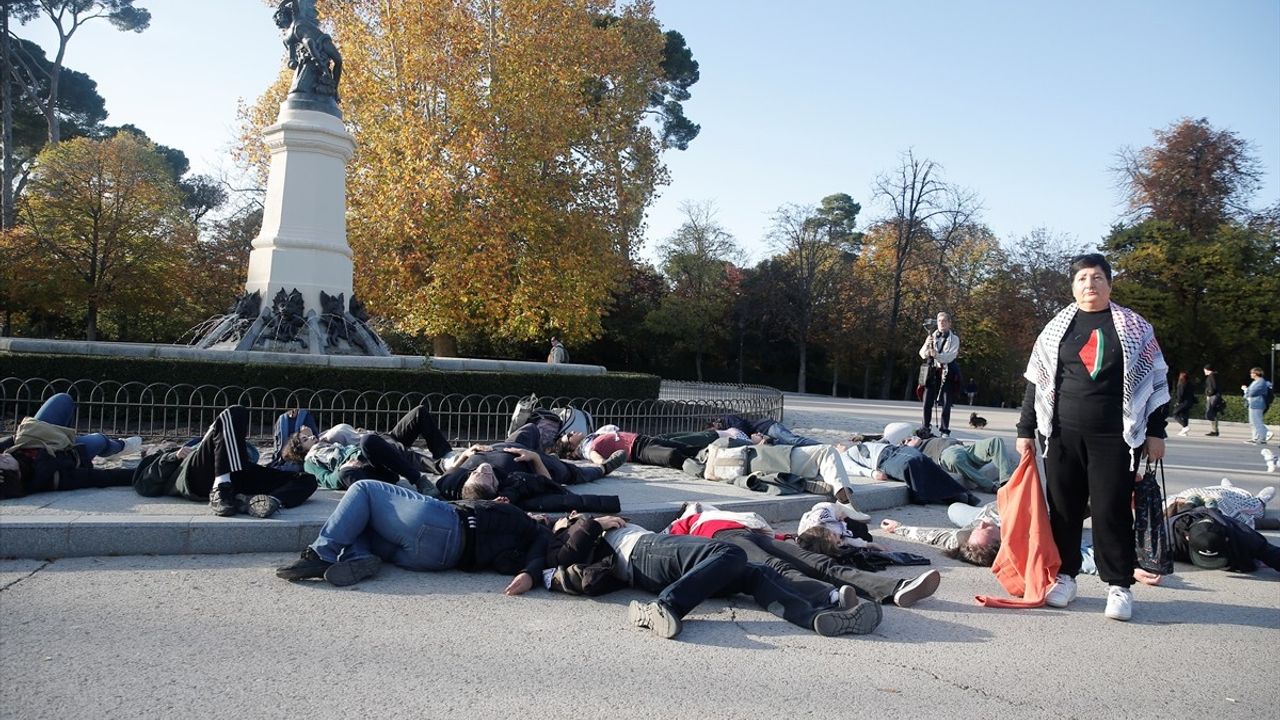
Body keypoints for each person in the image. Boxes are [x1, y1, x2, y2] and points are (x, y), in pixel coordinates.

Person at [1015, 253, 1169, 621]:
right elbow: (1035, 384)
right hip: (1063, 435)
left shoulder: (1134, 328)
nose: (1090, 285)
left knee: (1110, 510)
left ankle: (1119, 586)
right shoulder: (1056, 329)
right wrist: (1025, 430)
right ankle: (1065, 577)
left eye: (1097, 277)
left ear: (1110, 283)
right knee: (1064, 511)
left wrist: (1156, 431)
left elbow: (1156, 380)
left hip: (1114, 437)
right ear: (1073, 286)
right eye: (1082, 278)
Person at [543, 514, 881, 639]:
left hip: (656, 563)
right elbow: (563, 557)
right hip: (646, 551)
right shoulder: (570, 532)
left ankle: (817, 615)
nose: (571, 517)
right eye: (563, 519)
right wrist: (587, 524)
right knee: (730, 553)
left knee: (755, 574)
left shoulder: (581, 526)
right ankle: (665, 608)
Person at [276, 479, 552, 590]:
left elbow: (540, 548)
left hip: (446, 525)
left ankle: (321, 553)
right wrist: (528, 574)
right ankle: (359, 557)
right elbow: (538, 556)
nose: (541, 516)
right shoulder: (529, 534)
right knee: (365, 524)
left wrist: (528, 575)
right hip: (437, 560)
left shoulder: (533, 528)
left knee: (364, 489)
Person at [666, 502, 941, 608]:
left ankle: (896, 588)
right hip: (723, 540)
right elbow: (674, 545)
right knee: (776, 567)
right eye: (693, 505)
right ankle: (829, 596)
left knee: (816, 561)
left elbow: (765, 528)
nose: (698, 504)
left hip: (758, 534)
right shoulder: (688, 521)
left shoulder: (724, 512)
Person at [878, 504, 1164, 586]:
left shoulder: (968, 534)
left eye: (978, 529)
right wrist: (1130, 570)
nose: (982, 525)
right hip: (1055, 510)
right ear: (1003, 543)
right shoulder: (1024, 538)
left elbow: (933, 536)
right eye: (987, 529)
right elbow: (1083, 557)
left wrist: (899, 528)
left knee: (954, 510)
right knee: (1092, 503)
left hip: (984, 504)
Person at [133, 405, 318, 518]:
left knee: (306, 479)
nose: (167, 445)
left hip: (237, 471)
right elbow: (144, 484)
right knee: (235, 412)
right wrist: (173, 456)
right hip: (198, 473)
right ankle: (220, 489)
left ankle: (268, 502)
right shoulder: (156, 459)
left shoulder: (190, 445)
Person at [279, 402, 455, 490]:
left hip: (379, 447)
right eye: (305, 439)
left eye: (308, 436)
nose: (311, 437)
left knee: (370, 440)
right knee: (349, 469)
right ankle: (439, 468)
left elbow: (318, 432)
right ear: (301, 449)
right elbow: (326, 480)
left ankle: (436, 464)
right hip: (366, 469)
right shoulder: (311, 461)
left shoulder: (326, 441)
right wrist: (344, 467)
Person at [0, 392, 140, 499]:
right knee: (99, 440)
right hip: (71, 451)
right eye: (4, 462)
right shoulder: (51, 475)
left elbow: (10, 443)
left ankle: (66, 434)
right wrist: (142, 472)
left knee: (62, 399)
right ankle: (119, 447)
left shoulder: (11, 455)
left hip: (44, 437)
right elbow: (100, 477)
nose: (2, 456)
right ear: (16, 476)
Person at [837, 424, 979, 506]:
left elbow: (884, 439)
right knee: (913, 463)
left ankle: (960, 494)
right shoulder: (843, 456)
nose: (841, 446)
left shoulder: (861, 445)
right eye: (838, 447)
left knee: (922, 461)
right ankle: (953, 496)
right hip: (883, 460)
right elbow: (854, 469)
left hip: (893, 450)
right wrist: (873, 474)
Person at [556, 425, 702, 469]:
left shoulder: (591, 437)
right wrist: (604, 464)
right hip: (638, 451)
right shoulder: (585, 448)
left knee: (688, 448)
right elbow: (594, 455)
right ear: (571, 446)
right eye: (569, 435)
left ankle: (709, 455)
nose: (573, 431)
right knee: (672, 455)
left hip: (642, 439)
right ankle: (701, 466)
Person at [1164, 478, 1275, 529]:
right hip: (1222, 496)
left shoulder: (1170, 504)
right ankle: (1261, 498)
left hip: (1219, 495)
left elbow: (1248, 523)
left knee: (1256, 506)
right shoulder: (1168, 504)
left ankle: (1260, 498)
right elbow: (1247, 523)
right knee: (1256, 506)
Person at [919, 311, 960, 436]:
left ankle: (944, 429)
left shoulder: (954, 339)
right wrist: (928, 350)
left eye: (944, 321)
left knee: (946, 403)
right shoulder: (932, 336)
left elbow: (950, 356)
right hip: (932, 372)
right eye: (939, 321)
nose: (941, 323)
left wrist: (936, 355)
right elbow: (921, 353)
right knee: (927, 401)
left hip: (947, 372)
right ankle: (925, 427)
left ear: (949, 323)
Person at [710, 414, 820, 447]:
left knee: (794, 440)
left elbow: (742, 429)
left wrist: (752, 439)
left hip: (768, 427)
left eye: (713, 429)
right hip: (764, 434)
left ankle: (824, 446)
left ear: (715, 424)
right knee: (788, 445)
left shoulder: (728, 419)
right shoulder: (727, 429)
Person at [1242, 367, 1272, 444]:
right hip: (1253, 404)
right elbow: (1251, 392)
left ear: (1255, 374)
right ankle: (1255, 438)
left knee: (1257, 422)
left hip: (1257, 404)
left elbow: (1252, 393)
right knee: (1253, 422)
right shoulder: (1256, 381)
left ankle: (1263, 438)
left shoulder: (1261, 382)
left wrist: (1246, 390)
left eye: (1251, 373)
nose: (1250, 374)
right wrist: (1247, 391)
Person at [1170, 371, 1195, 437]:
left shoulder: (1181, 384)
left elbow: (1180, 395)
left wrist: (1178, 402)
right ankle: (1184, 432)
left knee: (1175, 414)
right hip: (1190, 402)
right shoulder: (1190, 384)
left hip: (1184, 402)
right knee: (1185, 415)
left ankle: (1185, 427)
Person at [1203, 364, 1222, 436]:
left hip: (1213, 396)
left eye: (1204, 370)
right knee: (1212, 412)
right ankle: (1214, 430)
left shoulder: (1211, 376)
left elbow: (1212, 387)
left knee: (1210, 413)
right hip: (1216, 396)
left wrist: (1209, 394)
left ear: (1207, 370)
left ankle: (1215, 430)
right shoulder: (1215, 376)